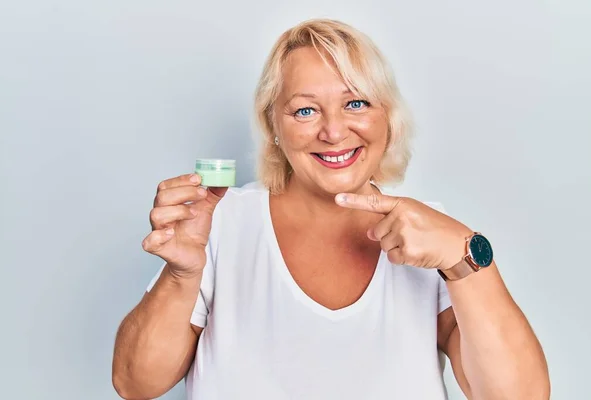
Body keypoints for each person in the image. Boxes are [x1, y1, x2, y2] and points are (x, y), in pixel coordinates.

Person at [112, 18, 550, 400]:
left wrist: (464, 256)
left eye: (356, 103)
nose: (334, 131)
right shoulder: (220, 221)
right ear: (274, 127)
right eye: (305, 110)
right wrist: (181, 275)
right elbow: (136, 384)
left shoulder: (434, 237)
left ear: (388, 119)